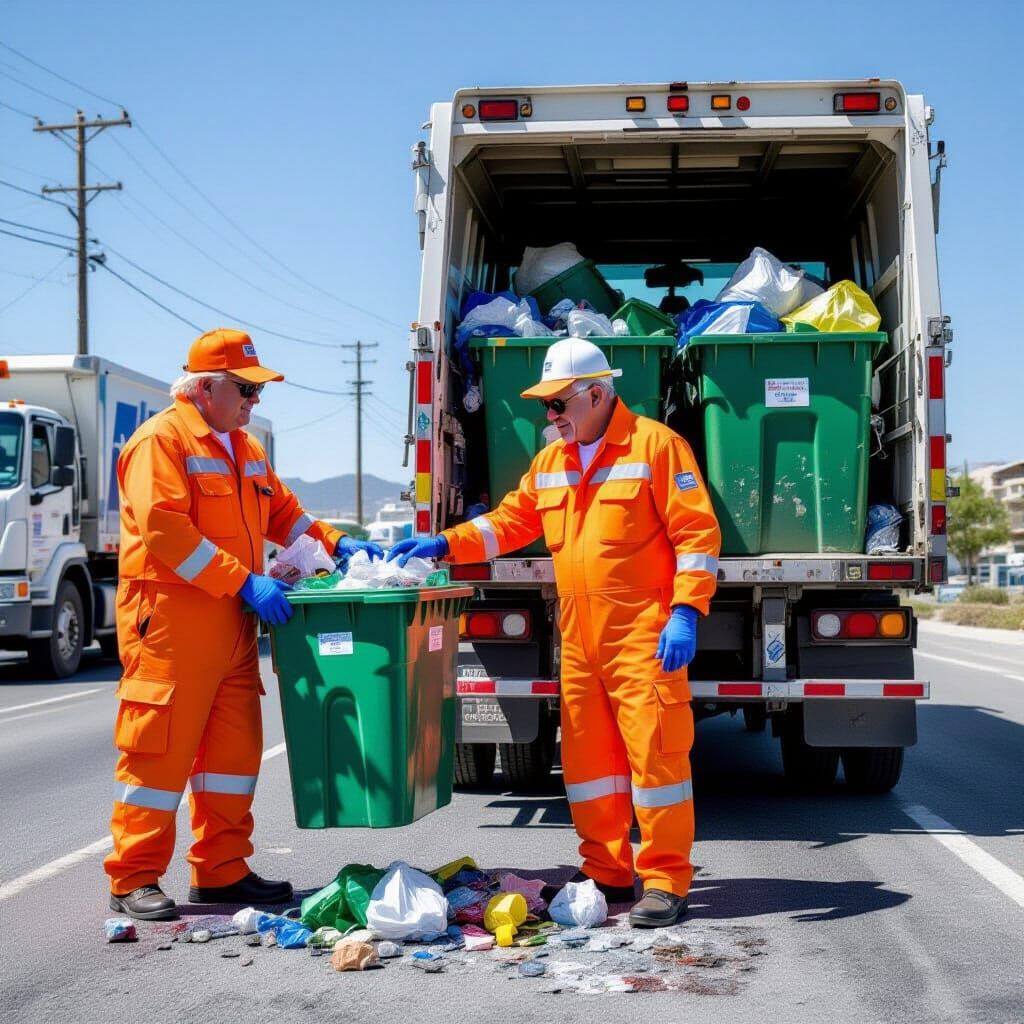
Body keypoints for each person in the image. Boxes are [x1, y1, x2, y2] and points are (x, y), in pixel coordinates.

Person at [389, 338, 720, 928]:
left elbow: (697, 537)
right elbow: (510, 522)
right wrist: (445, 543)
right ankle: (608, 872)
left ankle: (667, 881)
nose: (551, 416)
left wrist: (686, 611)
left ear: (597, 393)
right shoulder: (551, 463)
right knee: (589, 762)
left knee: (656, 761)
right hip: (579, 634)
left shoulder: (656, 447)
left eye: (558, 403)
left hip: (642, 633)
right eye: (545, 406)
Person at [105, 327, 382, 921]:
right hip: (173, 623)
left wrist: (344, 545)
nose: (256, 402)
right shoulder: (162, 441)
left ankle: (222, 870)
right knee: (160, 755)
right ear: (205, 387)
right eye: (246, 389)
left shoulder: (244, 446)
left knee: (232, 754)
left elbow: (285, 513)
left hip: (231, 624)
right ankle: (134, 877)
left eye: (257, 392)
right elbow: (166, 532)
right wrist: (244, 580)